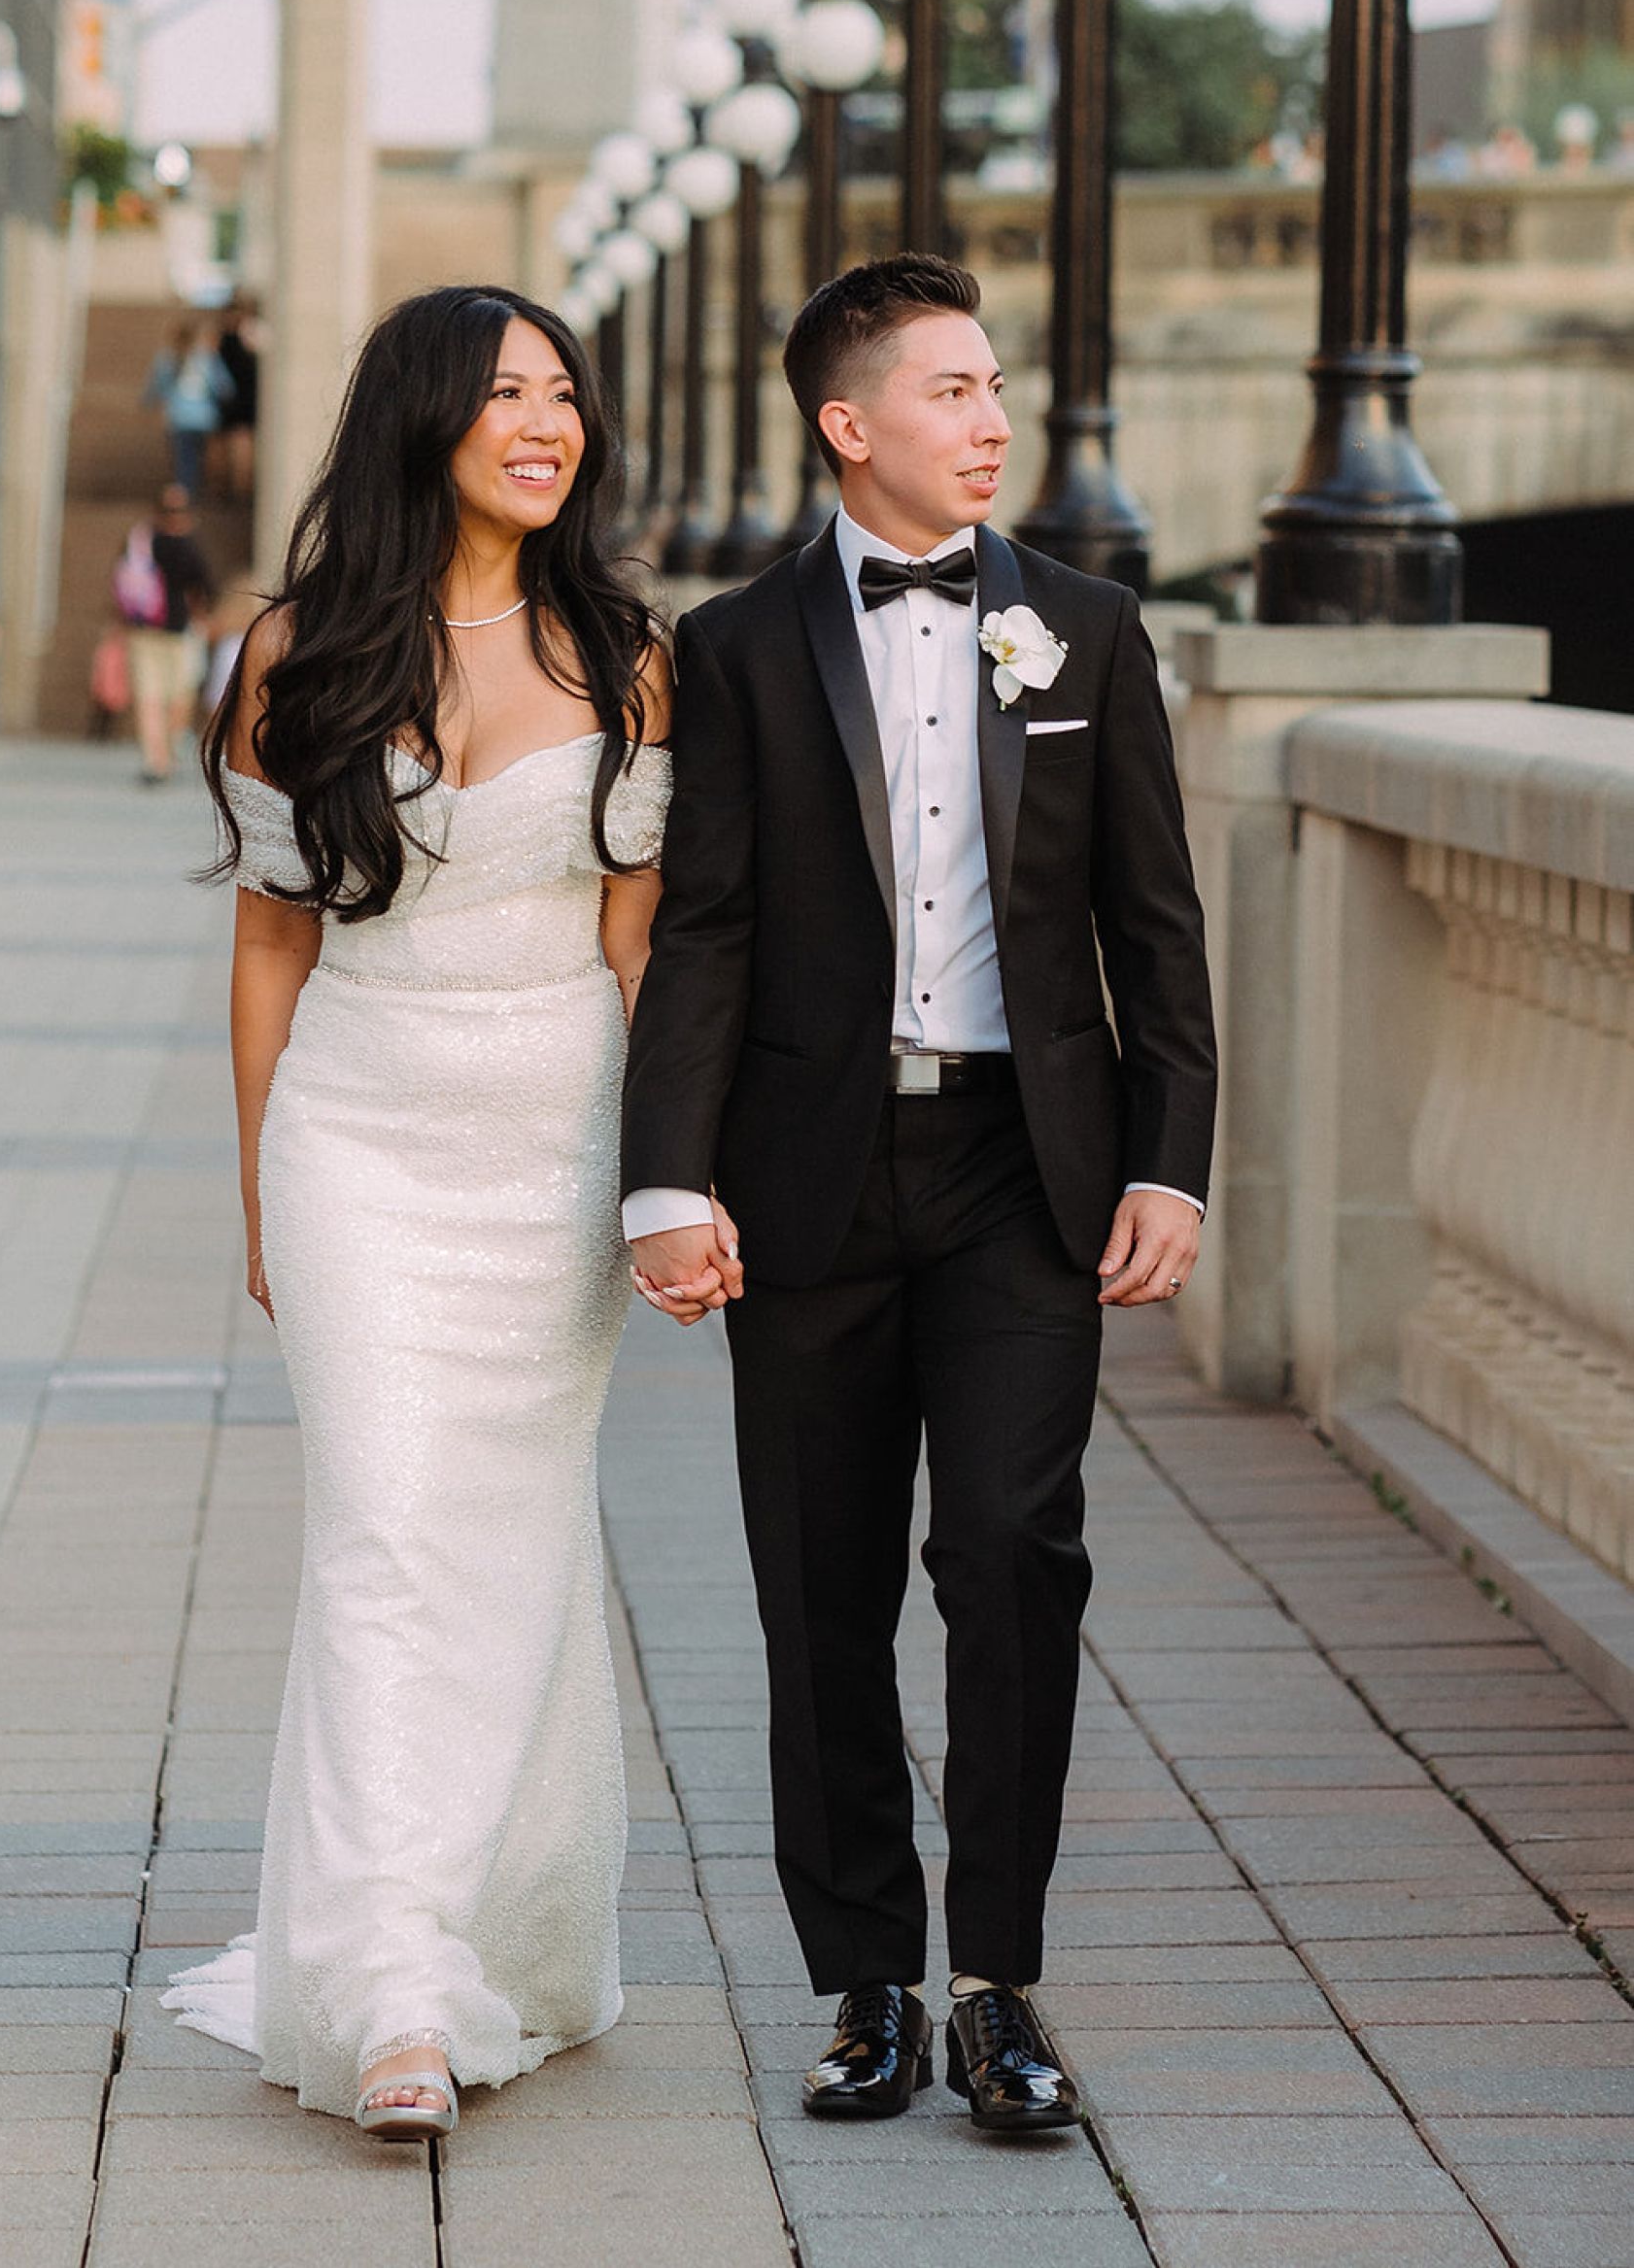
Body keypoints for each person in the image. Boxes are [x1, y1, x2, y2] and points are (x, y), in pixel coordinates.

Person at [623, 255, 1217, 2138]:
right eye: (951, 389)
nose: (991, 421)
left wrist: (1167, 1155)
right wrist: (664, 1176)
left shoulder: (1089, 629)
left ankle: (1000, 1982)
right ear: (847, 420)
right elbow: (702, 930)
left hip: (1019, 1171)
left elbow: (1154, 925)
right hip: (806, 1174)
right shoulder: (731, 643)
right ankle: (864, 1981)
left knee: (1013, 1555)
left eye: (995, 387)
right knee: (822, 1588)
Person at [161, 286, 680, 2141]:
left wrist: (660, 1184)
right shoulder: (295, 648)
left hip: (551, 1141)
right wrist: (257, 1180)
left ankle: (498, 1922)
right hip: (358, 1133)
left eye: (566, 395)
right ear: (421, 418)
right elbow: (270, 938)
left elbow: (639, 957)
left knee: (512, 1543)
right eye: (505, 394)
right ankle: (387, 1976)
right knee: (384, 1528)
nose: (547, 423)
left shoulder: (624, 650)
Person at [116, 484, 215, 784]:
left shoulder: (139, 542)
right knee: (179, 694)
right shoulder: (188, 547)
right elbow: (204, 589)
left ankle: (155, 760)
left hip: (142, 630)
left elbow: (121, 583)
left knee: (149, 697)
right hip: (177, 631)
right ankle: (166, 753)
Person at [144, 316, 234, 499]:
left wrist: (147, 402)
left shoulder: (167, 358)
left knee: (184, 458)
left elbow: (157, 387)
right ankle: (202, 490)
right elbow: (224, 387)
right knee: (202, 456)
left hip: (178, 417)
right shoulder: (206, 358)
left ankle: (185, 492)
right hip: (205, 417)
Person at [214, 299, 262, 503]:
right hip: (237, 398)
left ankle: (236, 486)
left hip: (234, 398)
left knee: (237, 444)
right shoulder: (242, 341)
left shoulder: (223, 341)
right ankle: (236, 487)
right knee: (235, 444)